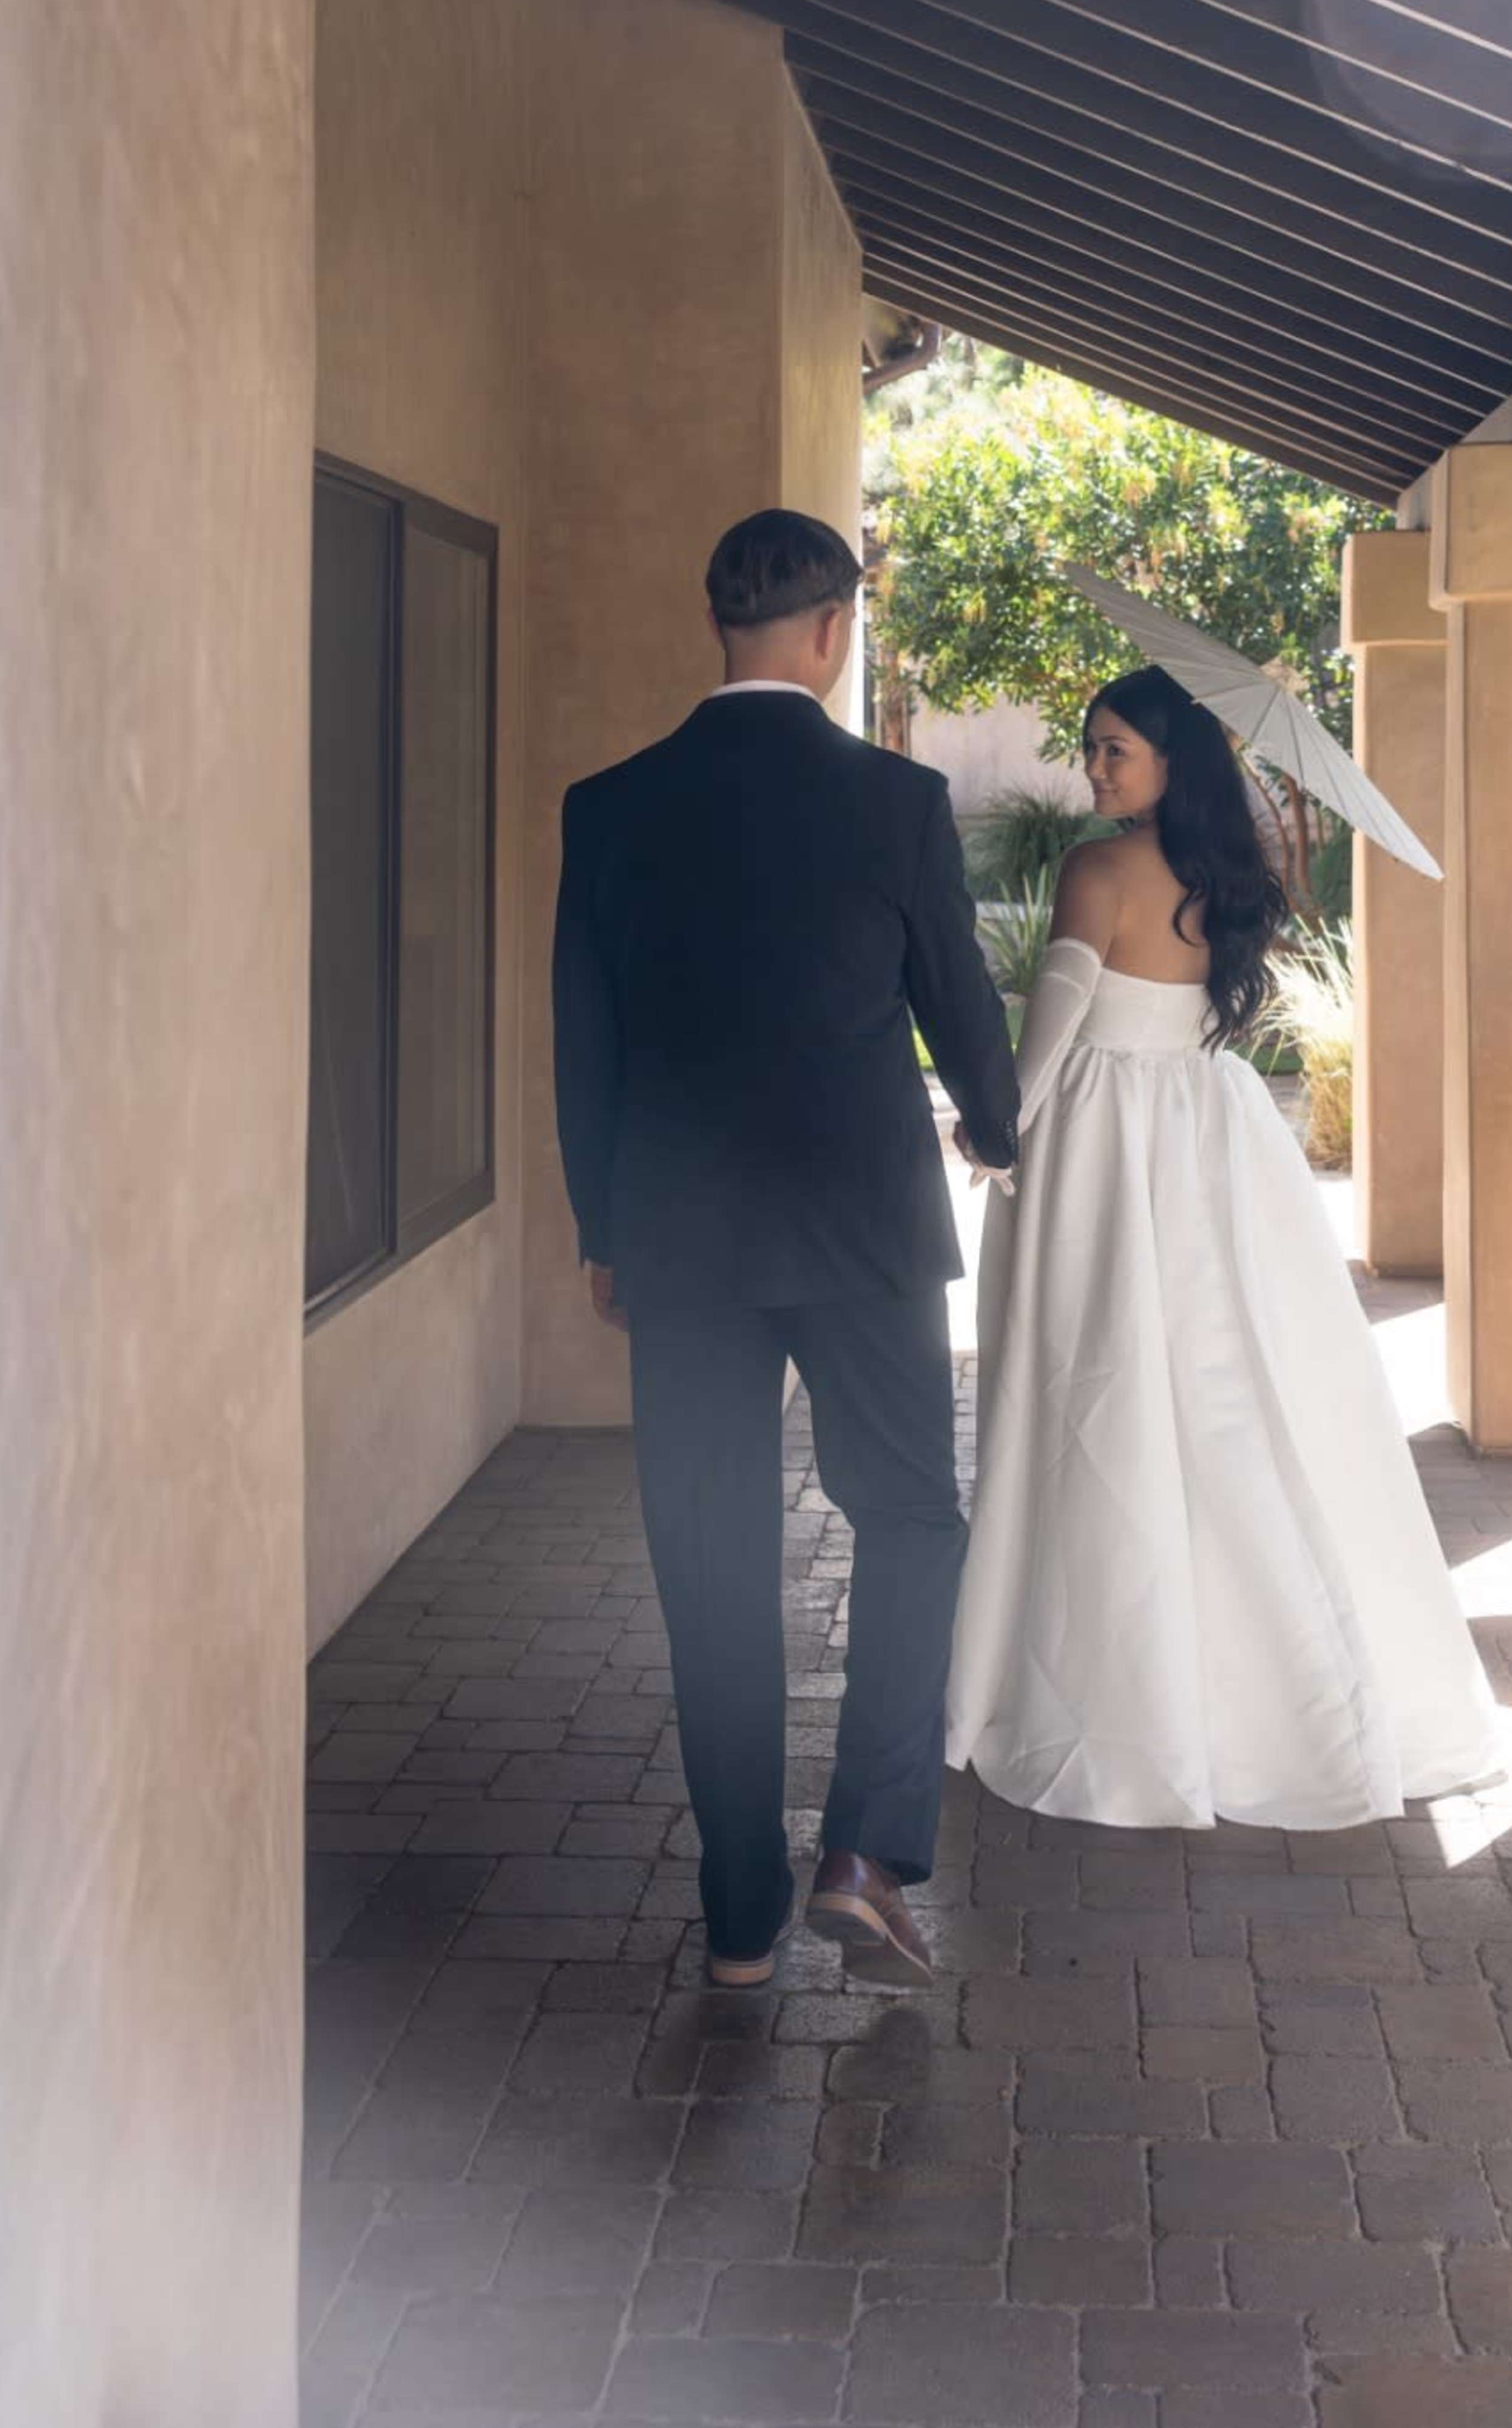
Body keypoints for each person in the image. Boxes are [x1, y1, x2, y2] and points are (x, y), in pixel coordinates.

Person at [552, 508, 1018, 1991]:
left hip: (680, 1230)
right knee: (912, 1517)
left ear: (723, 624)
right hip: (864, 1224)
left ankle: (742, 1916)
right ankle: (867, 1852)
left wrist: (601, 1228)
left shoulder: (610, 805)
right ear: (835, 627)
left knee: (711, 1560)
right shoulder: (898, 800)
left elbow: (586, 1042)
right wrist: (997, 1129)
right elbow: (960, 1003)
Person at [946, 662, 1500, 1828]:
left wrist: (992, 1134)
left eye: (1113, 751)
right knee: (1223, 1383)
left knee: (1094, 1380)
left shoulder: (1096, 870)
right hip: (1208, 1130)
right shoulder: (1233, 874)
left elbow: (1047, 1043)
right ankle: (1270, 1677)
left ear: (1169, 762)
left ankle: (1115, 1682)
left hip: (1105, 1137)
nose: (1092, 768)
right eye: (1091, 748)